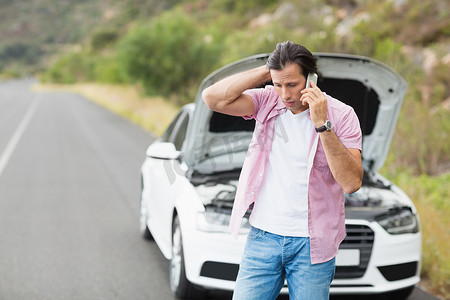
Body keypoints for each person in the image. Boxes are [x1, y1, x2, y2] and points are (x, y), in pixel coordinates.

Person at [202, 41, 363, 300]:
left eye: (292, 84)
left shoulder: (342, 115)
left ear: (311, 79)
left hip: (313, 245)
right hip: (263, 237)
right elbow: (212, 98)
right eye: (279, 85)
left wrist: (322, 124)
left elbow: (352, 182)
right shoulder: (267, 101)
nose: (285, 95)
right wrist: (268, 72)